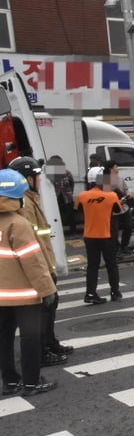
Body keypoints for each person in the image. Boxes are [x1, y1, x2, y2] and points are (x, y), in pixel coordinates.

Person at [0, 169, 59, 397]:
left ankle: (10, 382)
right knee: (30, 337)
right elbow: (33, 262)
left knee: (3, 338)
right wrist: (47, 290)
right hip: (24, 295)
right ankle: (32, 382)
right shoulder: (19, 224)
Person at [9, 157, 71, 364]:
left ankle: (50, 343)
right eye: (36, 176)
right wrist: (45, 271)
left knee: (50, 309)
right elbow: (32, 242)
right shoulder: (24, 203)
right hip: (40, 266)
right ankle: (43, 352)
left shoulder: (30, 198)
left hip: (45, 263)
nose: (39, 179)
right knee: (42, 313)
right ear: (27, 179)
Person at [75, 165, 122, 305]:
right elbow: (117, 210)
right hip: (106, 234)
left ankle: (90, 293)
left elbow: (78, 210)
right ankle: (115, 292)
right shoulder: (111, 195)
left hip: (89, 235)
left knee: (92, 265)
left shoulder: (82, 196)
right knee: (111, 264)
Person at [48, 155, 77, 237]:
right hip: (55, 199)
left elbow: (72, 184)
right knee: (57, 216)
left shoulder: (67, 173)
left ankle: (73, 232)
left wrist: (69, 193)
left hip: (67, 198)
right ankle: (59, 234)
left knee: (70, 215)